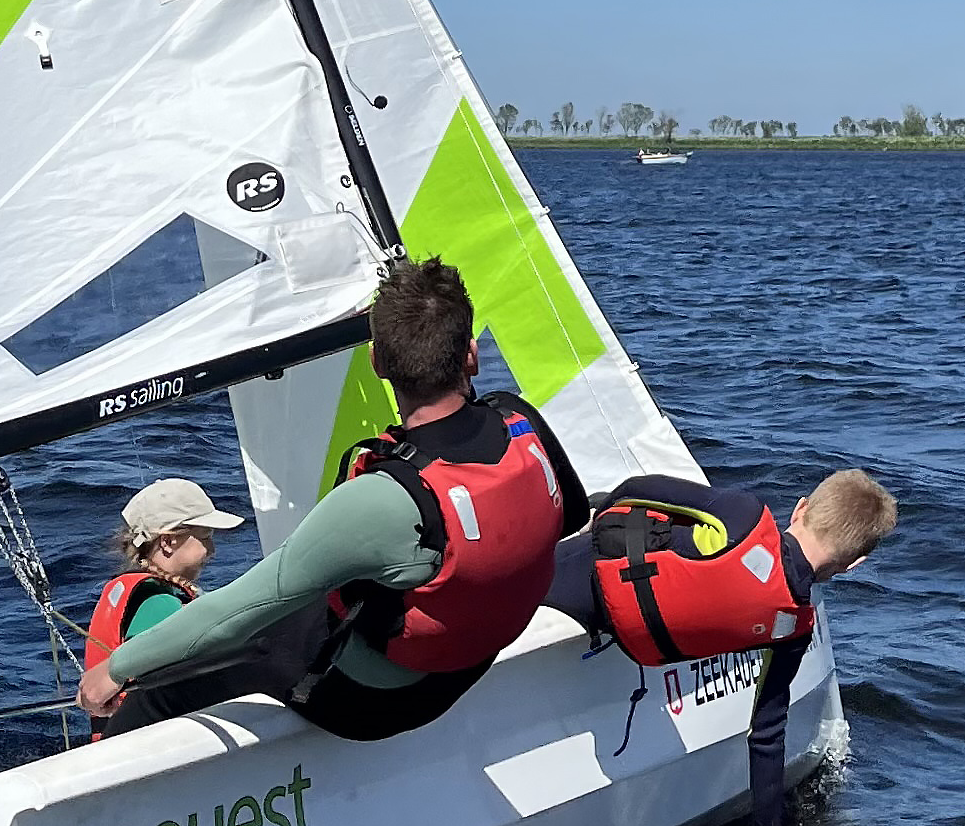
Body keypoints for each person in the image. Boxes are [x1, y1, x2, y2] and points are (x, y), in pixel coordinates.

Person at [77, 256, 589, 741]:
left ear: (377, 363)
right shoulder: (522, 424)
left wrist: (116, 668)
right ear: (471, 355)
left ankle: (99, 806)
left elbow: (235, 610)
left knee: (185, 672)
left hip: (385, 702)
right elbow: (573, 515)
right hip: (471, 663)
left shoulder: (383, 499)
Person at [545, 468, 897, 826]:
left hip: (560, 583)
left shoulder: (743, 517)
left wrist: (603, 510)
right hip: (611, 628)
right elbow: (766, 731)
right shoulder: (791, 626)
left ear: (801, 508)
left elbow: (636, 491)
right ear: (856, 563)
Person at [82, 479, 243, 739]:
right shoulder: (159, 602)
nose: (212, 550)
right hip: (150, 743)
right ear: (168, 541)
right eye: (204, 538)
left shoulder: (132, 589)